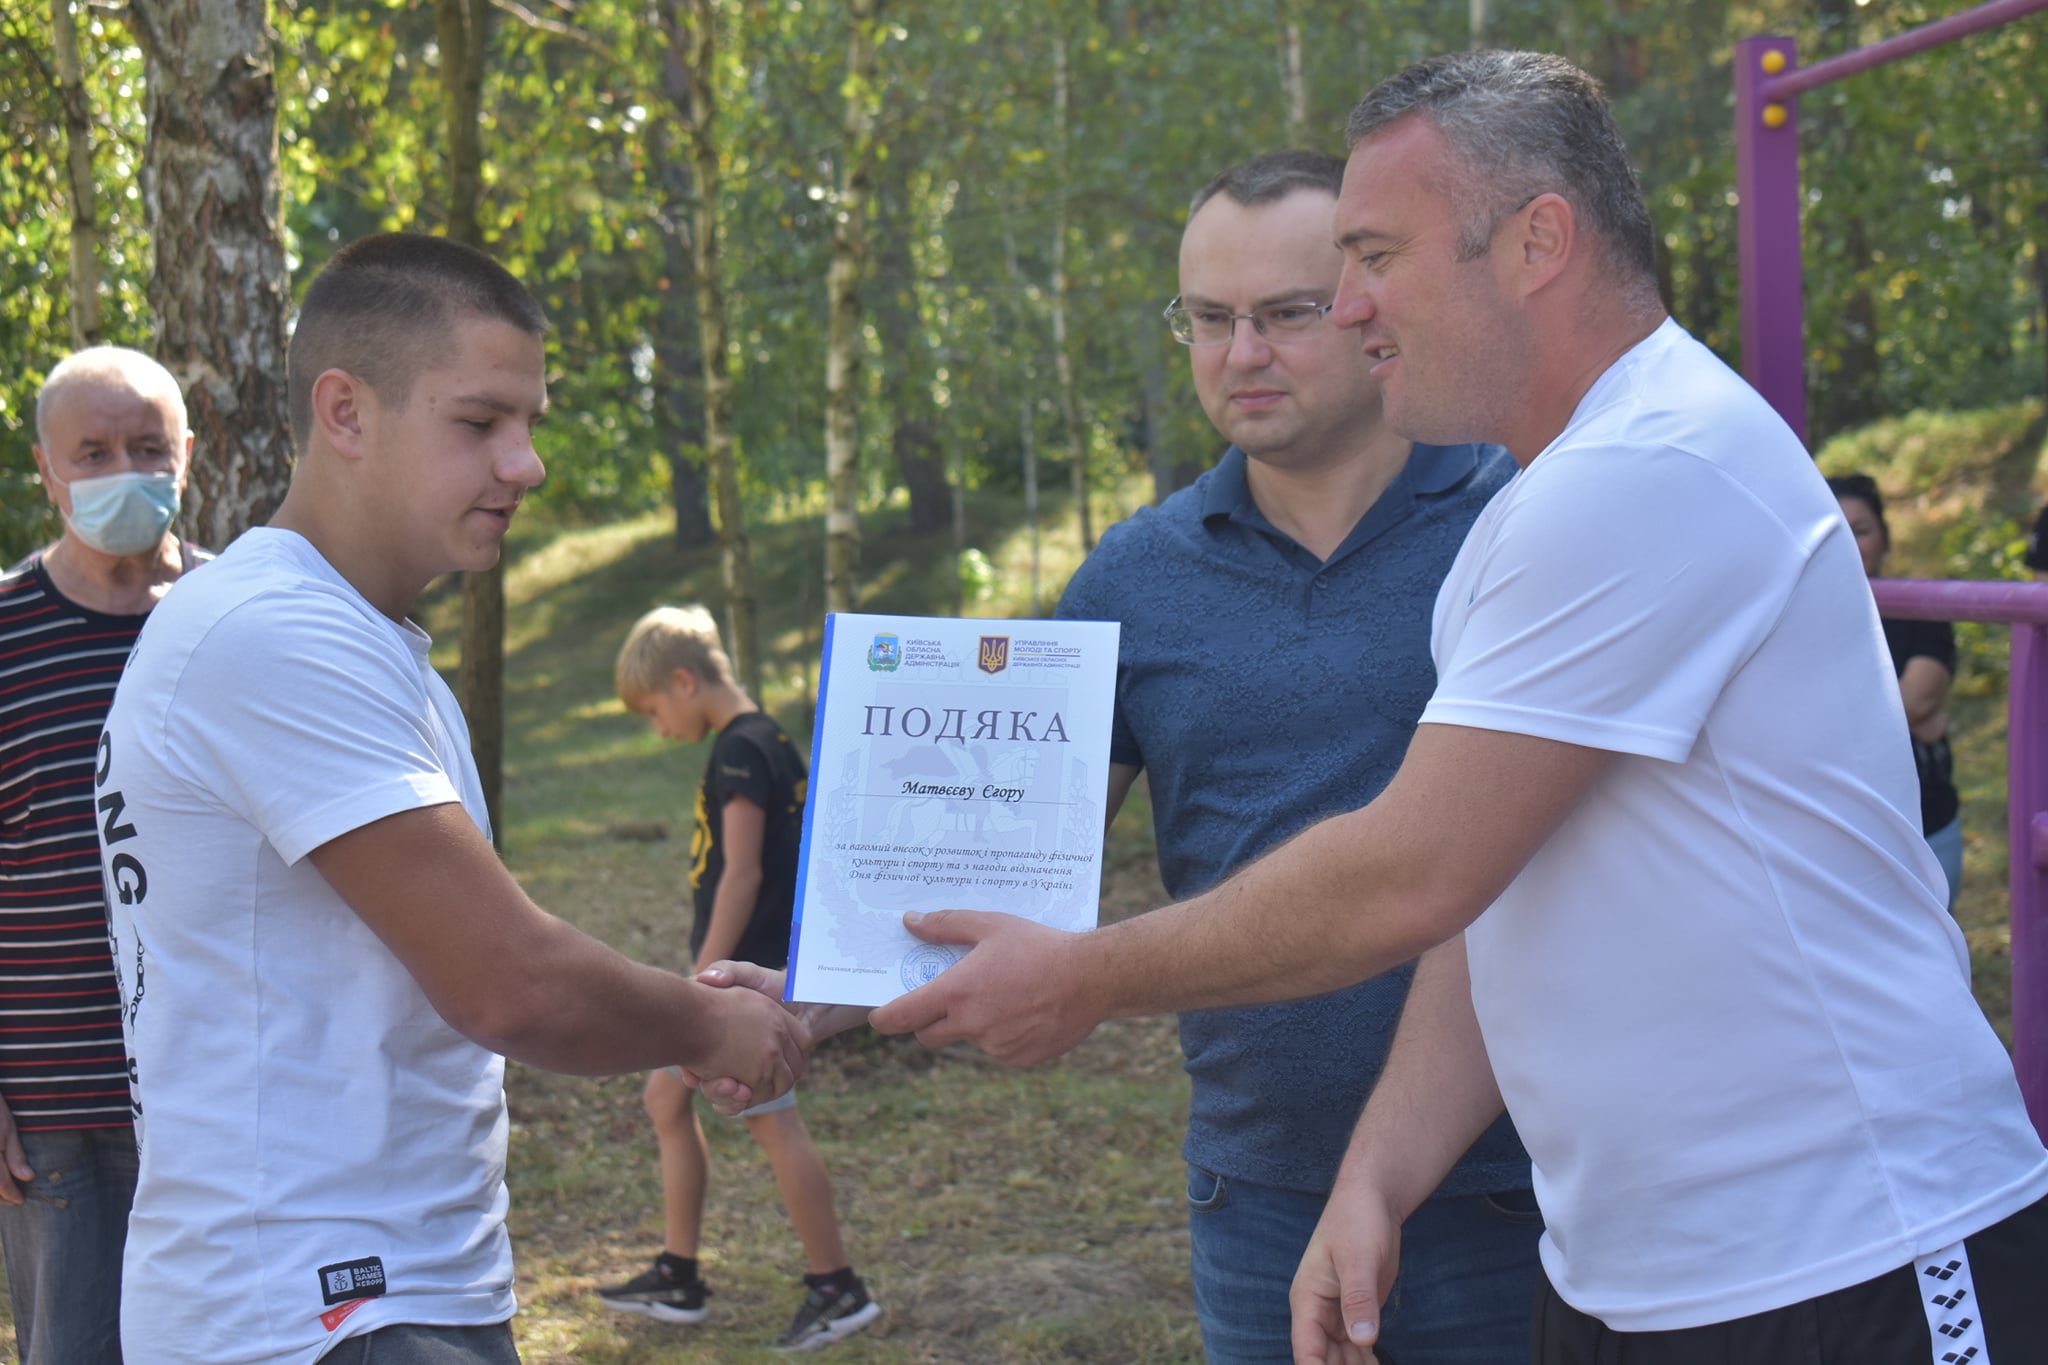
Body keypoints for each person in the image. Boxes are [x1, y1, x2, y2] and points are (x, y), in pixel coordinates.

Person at [855, 51, 2048, 1365]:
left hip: (1846, 1251)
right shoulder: (1542, 501)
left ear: (1538, 240)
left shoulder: (1647, 469)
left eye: (1373, 255)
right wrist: (1376, 1177)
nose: (1352, 306)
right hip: (1629, 1278)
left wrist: (1087, 976)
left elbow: (1412, 872)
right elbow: (1491, 897)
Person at [93, 234, 808, 1365]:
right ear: (345, 413)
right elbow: (507, 983)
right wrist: (708, 1021)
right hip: (321, 1309)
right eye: (479, 423)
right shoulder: (270, 636)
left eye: (529, 423)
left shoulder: (366, 650)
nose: (524, 464)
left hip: (387, 1288)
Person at [1052, 150, 1532, 1363]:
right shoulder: (1132, 578)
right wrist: (802, 1000)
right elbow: (997, 851)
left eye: (1284, 314)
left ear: (1370, 304)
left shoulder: (1521, 520)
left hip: (1528, 1183)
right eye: (1208, 320)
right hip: (1256, 1196)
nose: (1239, 354)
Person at [0, 346, 208, 1364]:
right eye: (92, 450)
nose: (123, 468)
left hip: (224, 1094)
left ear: (188, 459)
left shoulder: (244, 619)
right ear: (45, 469)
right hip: (56, 1106)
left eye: (147, 447)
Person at [597, 605, 880, 1351]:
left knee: (770, 1120)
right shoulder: (773, 738)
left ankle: (835, 1285)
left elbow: (743, 870)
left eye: (655, 708)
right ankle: (680, 1271)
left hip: (741, 987)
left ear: (684, 681)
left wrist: (702, 983)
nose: (658, 726)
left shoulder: (739, 750)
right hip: (752, 976)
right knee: (667, 1098)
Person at [1829, 474, 1963, 911]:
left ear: (1885, 538)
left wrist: (1909, 713)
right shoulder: (1789, 619)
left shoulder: (1921, 609)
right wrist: (1912, 722)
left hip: (1929, 827)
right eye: (1835, 527)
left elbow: (1915, 701)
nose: (1850, 541)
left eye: (1862, 530)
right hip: (1839, 834)